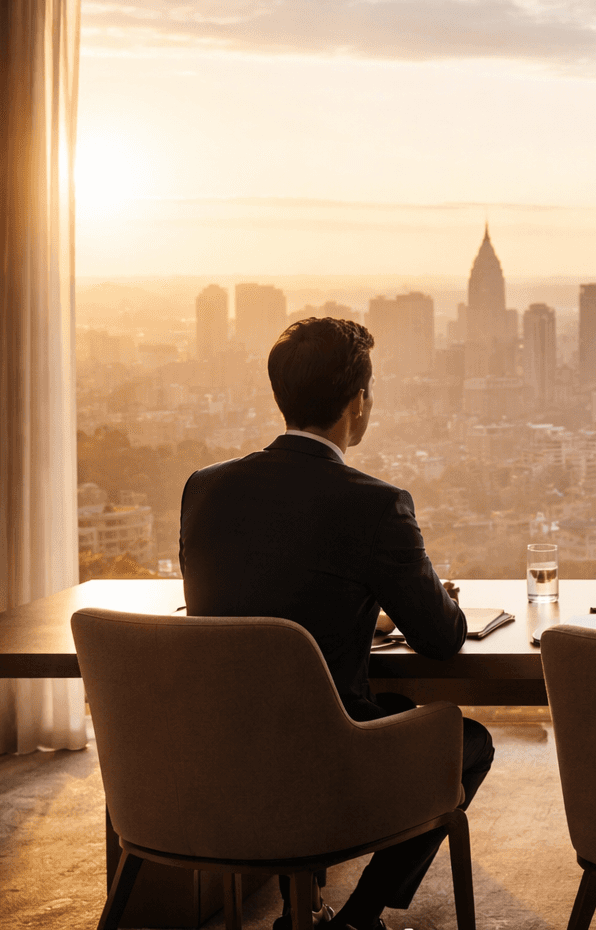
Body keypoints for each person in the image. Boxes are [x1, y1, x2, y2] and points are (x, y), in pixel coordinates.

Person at [180, 317, 493, 930]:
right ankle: (357, 919)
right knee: (466, 743)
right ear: (358, 403)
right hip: (324, 768)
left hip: (213, 759)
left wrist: (359, 615)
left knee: (397, 706)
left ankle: (310, 909)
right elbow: (440, 637)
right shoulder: (375, 504)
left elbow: (249, 603)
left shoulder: (205, 489)